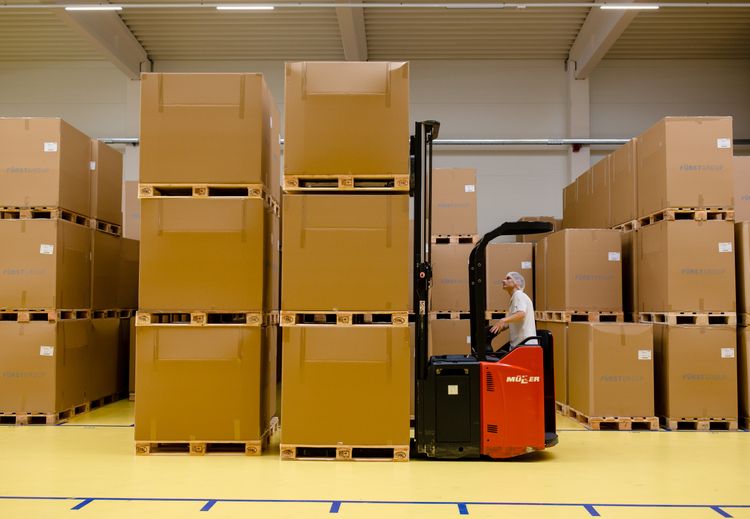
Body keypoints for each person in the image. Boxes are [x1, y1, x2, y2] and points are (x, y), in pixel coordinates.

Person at [488, 271, 538, 352]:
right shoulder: (514, 298)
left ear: (516, 282)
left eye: (508, 278)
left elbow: (521, 314)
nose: (503, 281)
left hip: (525, 346)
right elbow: (511, 322)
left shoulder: (519, 295)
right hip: (519, 345)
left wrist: (503, 320)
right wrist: (497, 328)